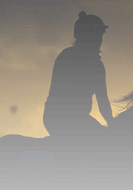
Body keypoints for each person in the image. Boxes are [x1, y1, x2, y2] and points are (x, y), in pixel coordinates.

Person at [43, 11, 113, 161]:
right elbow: (102, 101)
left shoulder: (95, 64)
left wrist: (112, 125)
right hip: (59, 119)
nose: (100, 40)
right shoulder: (69, 58)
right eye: (97, 35)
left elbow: (103, 102)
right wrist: (112, 124)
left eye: (100, 35)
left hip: (79, 120)